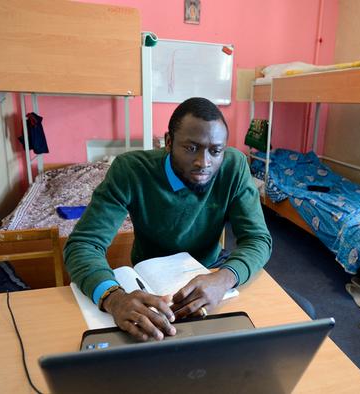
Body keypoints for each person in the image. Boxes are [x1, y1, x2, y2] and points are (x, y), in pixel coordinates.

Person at [64, 97, 272, 342]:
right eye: (191, 148)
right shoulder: (130, 171)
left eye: (215, 151)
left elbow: (258, 239)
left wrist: (223, 278)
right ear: (169, 142)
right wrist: (114, 299)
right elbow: (83, 244)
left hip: (211, 270)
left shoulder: (233, 166)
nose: (203, 163)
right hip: (149, 284)